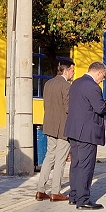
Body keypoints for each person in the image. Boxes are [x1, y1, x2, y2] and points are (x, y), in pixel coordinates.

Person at [64, 62, 106, 210]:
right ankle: (83, 199)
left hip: (74, 130)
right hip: (87, 132)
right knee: (86, 166)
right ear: (99, 72)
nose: (102, 80)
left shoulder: (76, 83)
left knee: (76, 164)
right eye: (103, 77)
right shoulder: (92, 86)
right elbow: (100, 108)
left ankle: (74, 196)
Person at [35, 57, 74, 202]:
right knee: (60, 160)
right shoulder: (66, 86)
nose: (73, 74)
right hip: (63, 127)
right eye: (72, 71)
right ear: (67, 70)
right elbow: (68, 108)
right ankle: (55, 192)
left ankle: (40, 190)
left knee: (49, 157)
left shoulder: (48, 83)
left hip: (49, 125)